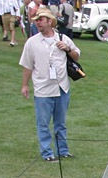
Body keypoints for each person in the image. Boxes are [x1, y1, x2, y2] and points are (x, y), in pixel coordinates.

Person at [19, 7, 79, 160]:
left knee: (61, 123)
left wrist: (67, 49)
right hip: (43, 89)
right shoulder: (31, 42)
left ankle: (63, 151)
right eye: (36, 20)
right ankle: (47, 153)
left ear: (50, 21)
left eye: (41, 20)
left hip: (62, 88)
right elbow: (27, 65)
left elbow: (76, 56)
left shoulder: (63, 38)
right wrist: (25, 85)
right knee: (43, 123)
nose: (38, 23)